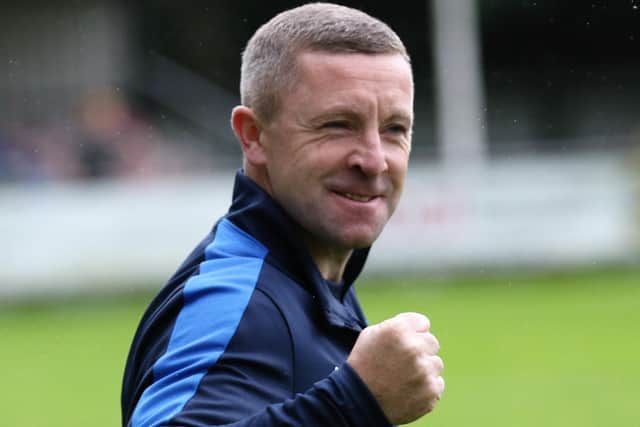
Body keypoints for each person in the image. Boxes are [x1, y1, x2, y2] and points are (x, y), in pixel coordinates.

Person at [121, 3, 444, 426]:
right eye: (337, 125)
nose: (374, 160)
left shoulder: (307, 282)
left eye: (394, 130)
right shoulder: (235, 299)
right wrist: (354, 403)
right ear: (253, 137)